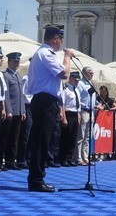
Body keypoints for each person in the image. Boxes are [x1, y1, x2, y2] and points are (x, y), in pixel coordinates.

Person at [26, 25, 72, 193]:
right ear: (55, 39)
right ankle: (36, 181)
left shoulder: (45, 53)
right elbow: (64, 74)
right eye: (60, 39)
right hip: (44, 101)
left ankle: (38, 178)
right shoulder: (45, 53)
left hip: (48, 101)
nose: (61, 43)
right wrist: (67, 57)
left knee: (44, 141)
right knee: (41, 141)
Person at [0, 51, 25, 170]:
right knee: (5, 137)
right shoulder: (6, 75)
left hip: (18, 111)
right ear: (9, 62)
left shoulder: (18, 76)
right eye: (14, 61)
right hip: (10, 111)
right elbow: (6, 94)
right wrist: (8, 110)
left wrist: (22, 110)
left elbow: (21, 95)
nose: (16, 63)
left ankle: (10, 161)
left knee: (15, 138)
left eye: (18, 61)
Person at [74, 66, 95, 166]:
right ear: (84, 73)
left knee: (87, 136)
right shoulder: (80, 84)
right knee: (81, 136)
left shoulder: (91, 84)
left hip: (91, 112)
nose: (92, 74)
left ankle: (85, 157)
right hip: (83, 111)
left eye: (92, 73)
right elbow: (78, 98)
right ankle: (78, 157)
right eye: (90, 72)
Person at [59, 72, 81, 167]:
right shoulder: (66, 89)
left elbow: (78, 105)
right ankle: (63, 158)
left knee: (73, 138)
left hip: (75, 114)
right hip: (68, 114)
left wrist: (79, 115)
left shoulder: (77, 90)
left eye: (77, 80)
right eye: (75, 80)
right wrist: (64, 117)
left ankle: (69, 158)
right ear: (70, 78)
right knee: (66, 137)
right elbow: (62, 104)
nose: (77, 82)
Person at [16, 72, 33, 169]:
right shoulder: (26, 78)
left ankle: (29, 157)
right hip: (27, 106)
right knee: (25, 135)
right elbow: (22, 95)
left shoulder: (37, 78)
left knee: (32, 135)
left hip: (34, 106)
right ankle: (21, 159)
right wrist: (23, 110)